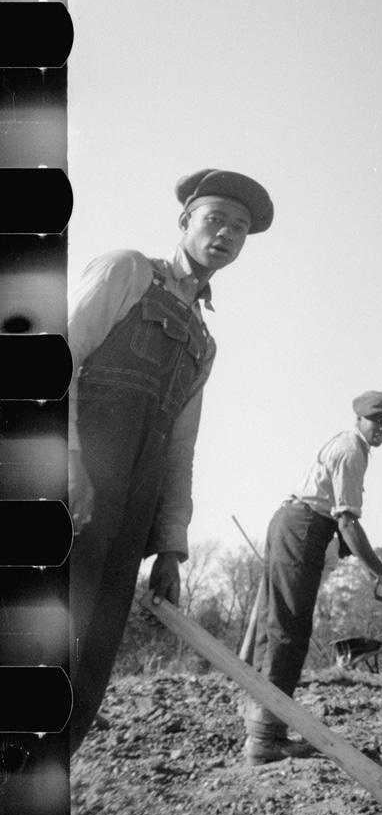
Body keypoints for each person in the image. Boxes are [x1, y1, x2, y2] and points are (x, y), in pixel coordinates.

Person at [68, 169, 273, 755]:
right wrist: (69, 460)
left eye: (239, 228)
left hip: (128, 515)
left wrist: (170, 547)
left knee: (89, 663)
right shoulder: (128, 271)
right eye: (215, 219)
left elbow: (181, 449)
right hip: (69, 486)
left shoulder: (205, 342)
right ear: (185, 222)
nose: (226, 234)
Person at [242, 391, 382, 764]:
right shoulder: (351, 451)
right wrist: (381, 572)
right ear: (360, 419)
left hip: (298, 526)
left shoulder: (351, 445)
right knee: (287, 630)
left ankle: (262, 732)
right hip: (301, 528)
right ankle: (264, 738)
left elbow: (338, 523)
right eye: (377, 420)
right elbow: (347, 523)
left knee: (276, 627)